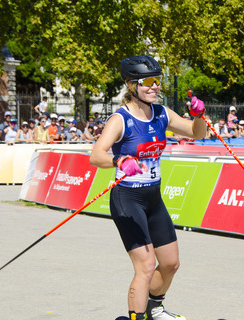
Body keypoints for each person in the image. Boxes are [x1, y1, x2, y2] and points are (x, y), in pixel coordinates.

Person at [89, 55, 206, 320]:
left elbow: (198, 133)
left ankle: (155, 308)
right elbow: (96, 155)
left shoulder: (162, 113)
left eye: (158, 81)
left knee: (170, 264)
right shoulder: (120, 119)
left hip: (153, 197)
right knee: (146, 266)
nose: (155, 87)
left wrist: (200, 116)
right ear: (132, 86)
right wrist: (119, 160)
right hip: (127, 198)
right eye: (149, 82)